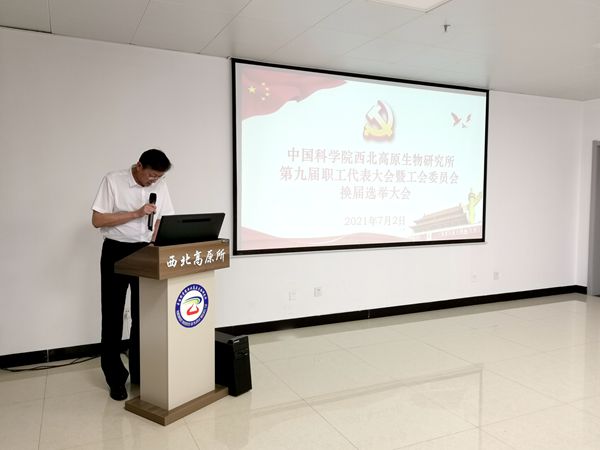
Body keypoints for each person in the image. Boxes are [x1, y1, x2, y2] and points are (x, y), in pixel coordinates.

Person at [91, 149, 174, 400]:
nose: (154, 180)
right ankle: (115, 378)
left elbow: (163, 219)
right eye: (151, 175)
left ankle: (140, 372)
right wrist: (136, 214)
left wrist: (157, 240)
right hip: (116, 251)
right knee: (113, 314)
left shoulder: (160, 185)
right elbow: (97, 220)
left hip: (146, 251)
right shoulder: (113, 180)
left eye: (159, 177)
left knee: (144, 315)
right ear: (139, 166)